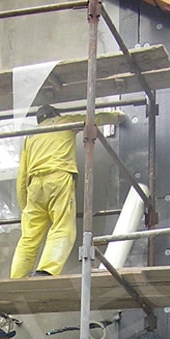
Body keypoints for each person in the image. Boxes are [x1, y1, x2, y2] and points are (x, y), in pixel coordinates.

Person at [10, 104, 126, 278]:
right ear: (55, 114)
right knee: (62, 227)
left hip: (34, 186)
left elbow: (22, 176)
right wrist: (117, 117)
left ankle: (17, 276)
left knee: (29, 236)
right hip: (58, 178)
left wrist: (24, 206)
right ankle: (46, 270)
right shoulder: (64, 122)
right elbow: (93, 119)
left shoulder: (31, 136)